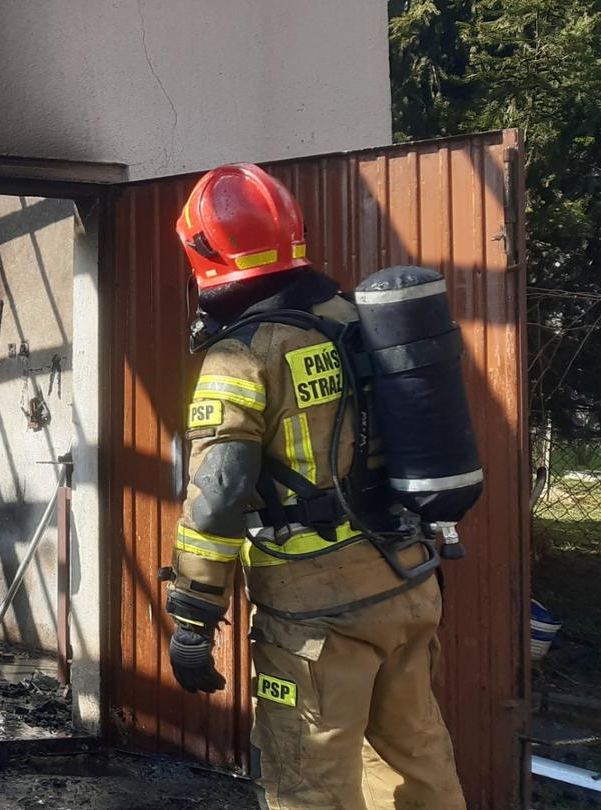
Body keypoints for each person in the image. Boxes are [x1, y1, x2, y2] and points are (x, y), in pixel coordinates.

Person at [163, 164, 466, 809]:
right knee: (416, 767)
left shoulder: (241, 355)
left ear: (204, 252)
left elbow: (217, 496)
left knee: (309, 784)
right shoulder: (359, 319)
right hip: (407, 584)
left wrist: (193, 615)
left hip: (316, 619)